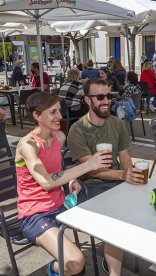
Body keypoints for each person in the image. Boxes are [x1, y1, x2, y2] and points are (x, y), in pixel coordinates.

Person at [15, 92, 112, 276]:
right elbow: (47, 182)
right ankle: (53, 268)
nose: (60, 116)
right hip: (35, 214)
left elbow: (57, 169)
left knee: (111, 220)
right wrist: (89, 165)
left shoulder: (58, 137)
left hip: (61, 205)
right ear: (37, 115)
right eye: (53, 112)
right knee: (76, 263)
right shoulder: (27, 145)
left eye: (59, 111)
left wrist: (72, 179)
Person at [68, 78, 145, 276]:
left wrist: (131, 177)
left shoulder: (117, 123)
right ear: (87, 100)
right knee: (117, 218)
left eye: (108, 96)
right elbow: (91, 169)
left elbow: (124, 155)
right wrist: (123, 174)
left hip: (116, 184)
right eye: (100, 97)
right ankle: (114, 272)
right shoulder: (77, 130)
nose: (106, 101)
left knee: (148, 204)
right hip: (90, 187)